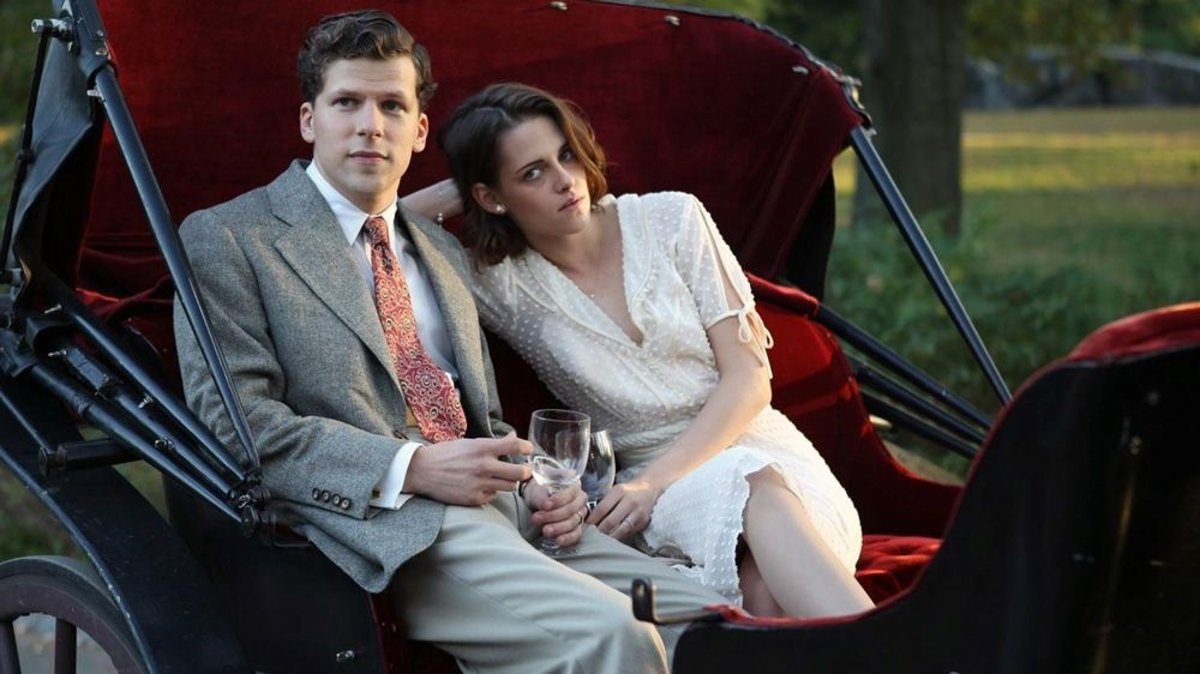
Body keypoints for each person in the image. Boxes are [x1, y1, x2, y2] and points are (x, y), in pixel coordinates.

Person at [172, 12, 726, 674]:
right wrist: (411, 467)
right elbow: (237, 426)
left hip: (508, 506)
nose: (370, 125)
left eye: (392, 106)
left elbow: (480, 420)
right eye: (347, 103)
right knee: (614, 634)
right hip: (385, 523)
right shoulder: (231, 238)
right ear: (309, 120)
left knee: (713, 622)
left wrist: (539, 482)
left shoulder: (440, 248)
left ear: (419, 130)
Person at [432, 82, 875, 618]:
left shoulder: (673, 219)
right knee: (755, 527)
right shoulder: (498, 285)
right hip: (662, 493)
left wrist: (649, 485)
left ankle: (889, 653)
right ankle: (895, 650)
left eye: (566, 154)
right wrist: (461, 189)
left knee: (762, 559)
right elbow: (371, 233)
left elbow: (750, 380)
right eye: (533, 173)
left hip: (755, 451)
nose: (565, 180)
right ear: (490, 197)